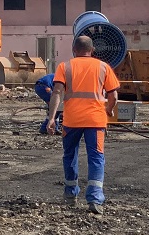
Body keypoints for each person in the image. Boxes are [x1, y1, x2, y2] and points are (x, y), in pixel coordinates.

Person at [45, 35, 120, 214]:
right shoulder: (104, 67)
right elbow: (114, 96)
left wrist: (52, 118)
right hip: (96, 120)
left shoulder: (65, 67)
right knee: (96, 158)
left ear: (74, 50)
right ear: (92, 50)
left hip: (72, 120)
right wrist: (108, 110)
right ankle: (94, 199)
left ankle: (70, 195)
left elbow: (57, 92)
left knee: (70, 155)